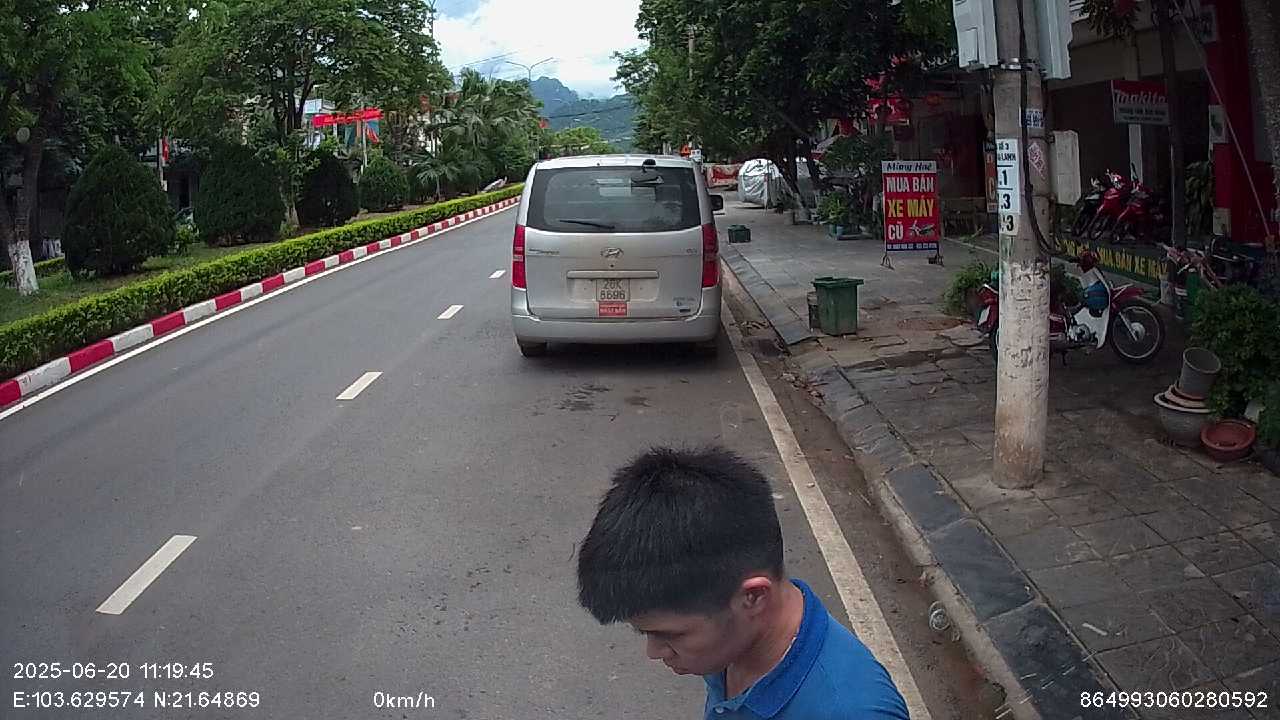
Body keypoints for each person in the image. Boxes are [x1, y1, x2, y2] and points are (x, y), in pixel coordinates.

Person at [576, 446, 910, 719]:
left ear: (753, 598)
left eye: (671, 635)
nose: (654, 652)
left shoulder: (850, 711)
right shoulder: (735, 643)